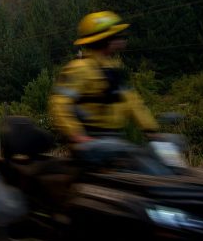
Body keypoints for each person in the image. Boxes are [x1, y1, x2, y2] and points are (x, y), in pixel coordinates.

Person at [48, 10, 158, 165]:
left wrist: (151, 130)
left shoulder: (113, 67)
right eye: (117, 36)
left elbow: (133, 102)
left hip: (114, 140)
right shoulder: (79, 69)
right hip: (91, 143)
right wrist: (77, 136)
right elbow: (59, 104)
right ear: (105, 40)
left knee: (152, 162)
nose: (122, 39)